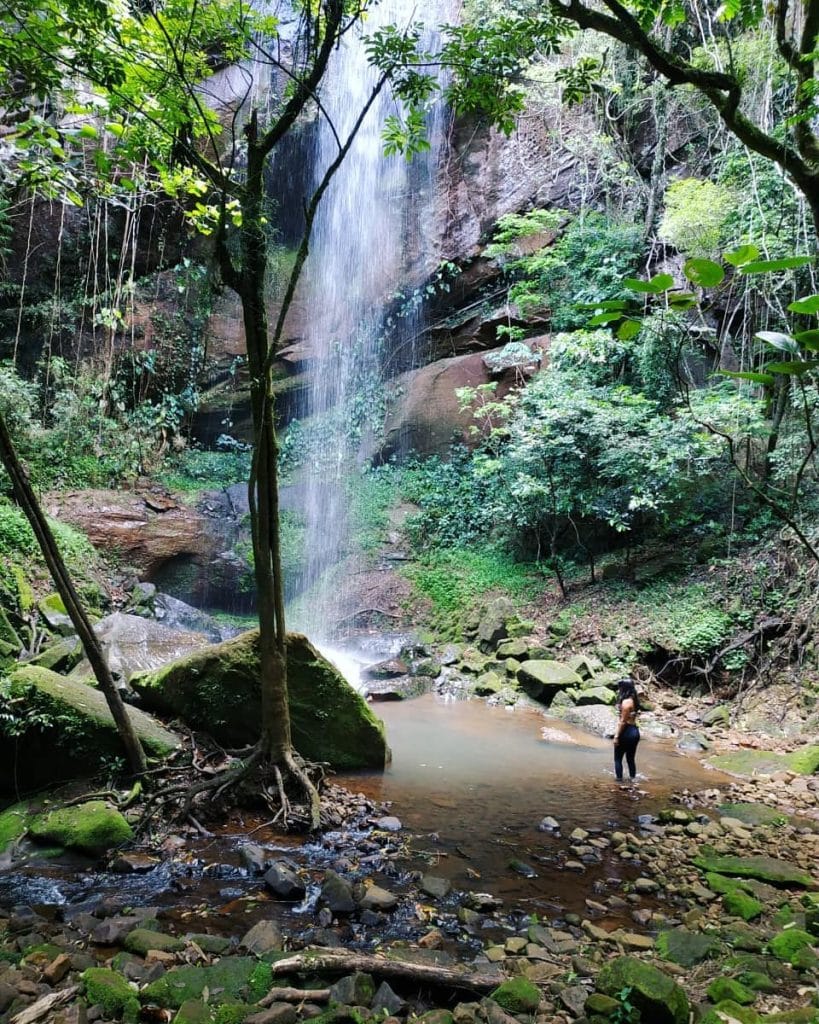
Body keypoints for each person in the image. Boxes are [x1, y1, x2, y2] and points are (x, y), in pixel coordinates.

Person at [613, 677, 640, 785]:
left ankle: (619, 782)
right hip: (634, 731)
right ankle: (633, 779)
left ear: (624, 688)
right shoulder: (634, 700)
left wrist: (616, 736)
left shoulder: (626, 703)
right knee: (630, 759)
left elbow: (623, 721)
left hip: (626, 732)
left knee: (618, 759)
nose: (619, 690)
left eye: (620, 687)